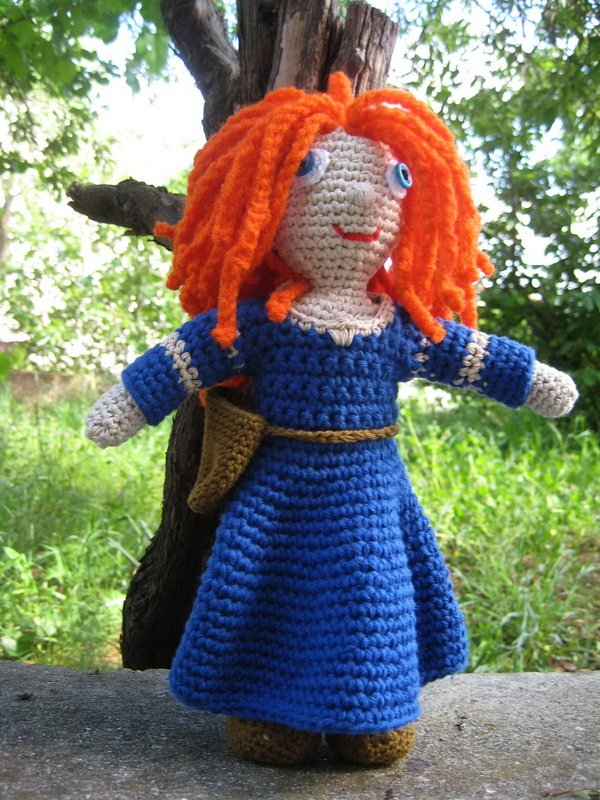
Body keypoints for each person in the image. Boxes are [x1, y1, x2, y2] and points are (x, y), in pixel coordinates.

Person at [86, 73, 577, 767]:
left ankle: (371, 712)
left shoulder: (399, 327)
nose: (362, 202)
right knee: (269, 591)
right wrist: (128, 403)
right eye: (311, 174)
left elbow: (469, 355)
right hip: (280, 486)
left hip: (370, 488)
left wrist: (531, 380)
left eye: (393, 180)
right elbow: (186, 356)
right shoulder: (263, 322)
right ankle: (270, 710)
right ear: (270, 201)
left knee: (371, 590)